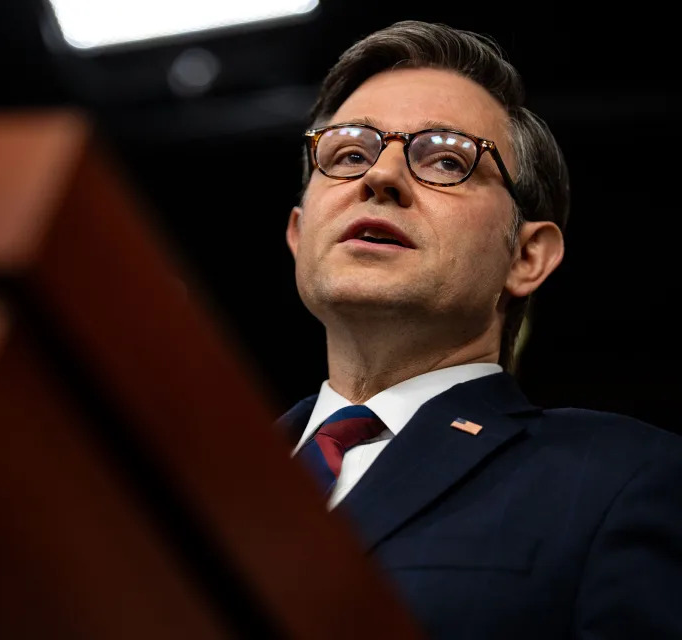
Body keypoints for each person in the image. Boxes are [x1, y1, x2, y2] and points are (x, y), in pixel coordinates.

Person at [277, 20, 682, 639]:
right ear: (301, 233)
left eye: (445, 159)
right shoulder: (194, 478)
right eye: (349, 153)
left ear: (527, 257)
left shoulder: (625, 477)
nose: (378, 178)